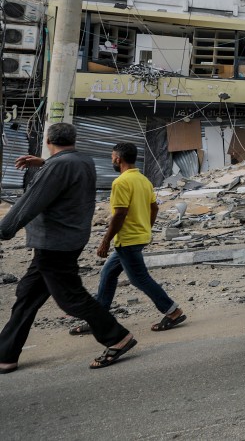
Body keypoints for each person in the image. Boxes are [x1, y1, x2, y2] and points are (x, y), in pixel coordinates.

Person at [0, 124, 136, 372]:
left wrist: (4, 229)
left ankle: (117, 337)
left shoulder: (59, 166)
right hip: (67, 240)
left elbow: (29, 203)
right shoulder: (83, 160)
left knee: (70, 298)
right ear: (73, 140)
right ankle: (6, 354)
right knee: (26, 296)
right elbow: (66, 174)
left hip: (55, 244)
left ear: (48, 139)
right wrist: (46, 164)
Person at [68, 143, 186, 336]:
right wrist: (146, 228)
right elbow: (154, 208)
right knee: (108, 274)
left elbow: (120, 214)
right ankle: (99, 318)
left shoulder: (121, 182)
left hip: (129, 239)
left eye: (112, 156)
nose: (112, 159)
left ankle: (173, 312)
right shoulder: (143, 180)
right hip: (137, 237)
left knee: (139, 279)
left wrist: (105, 241)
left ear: (118, 159)